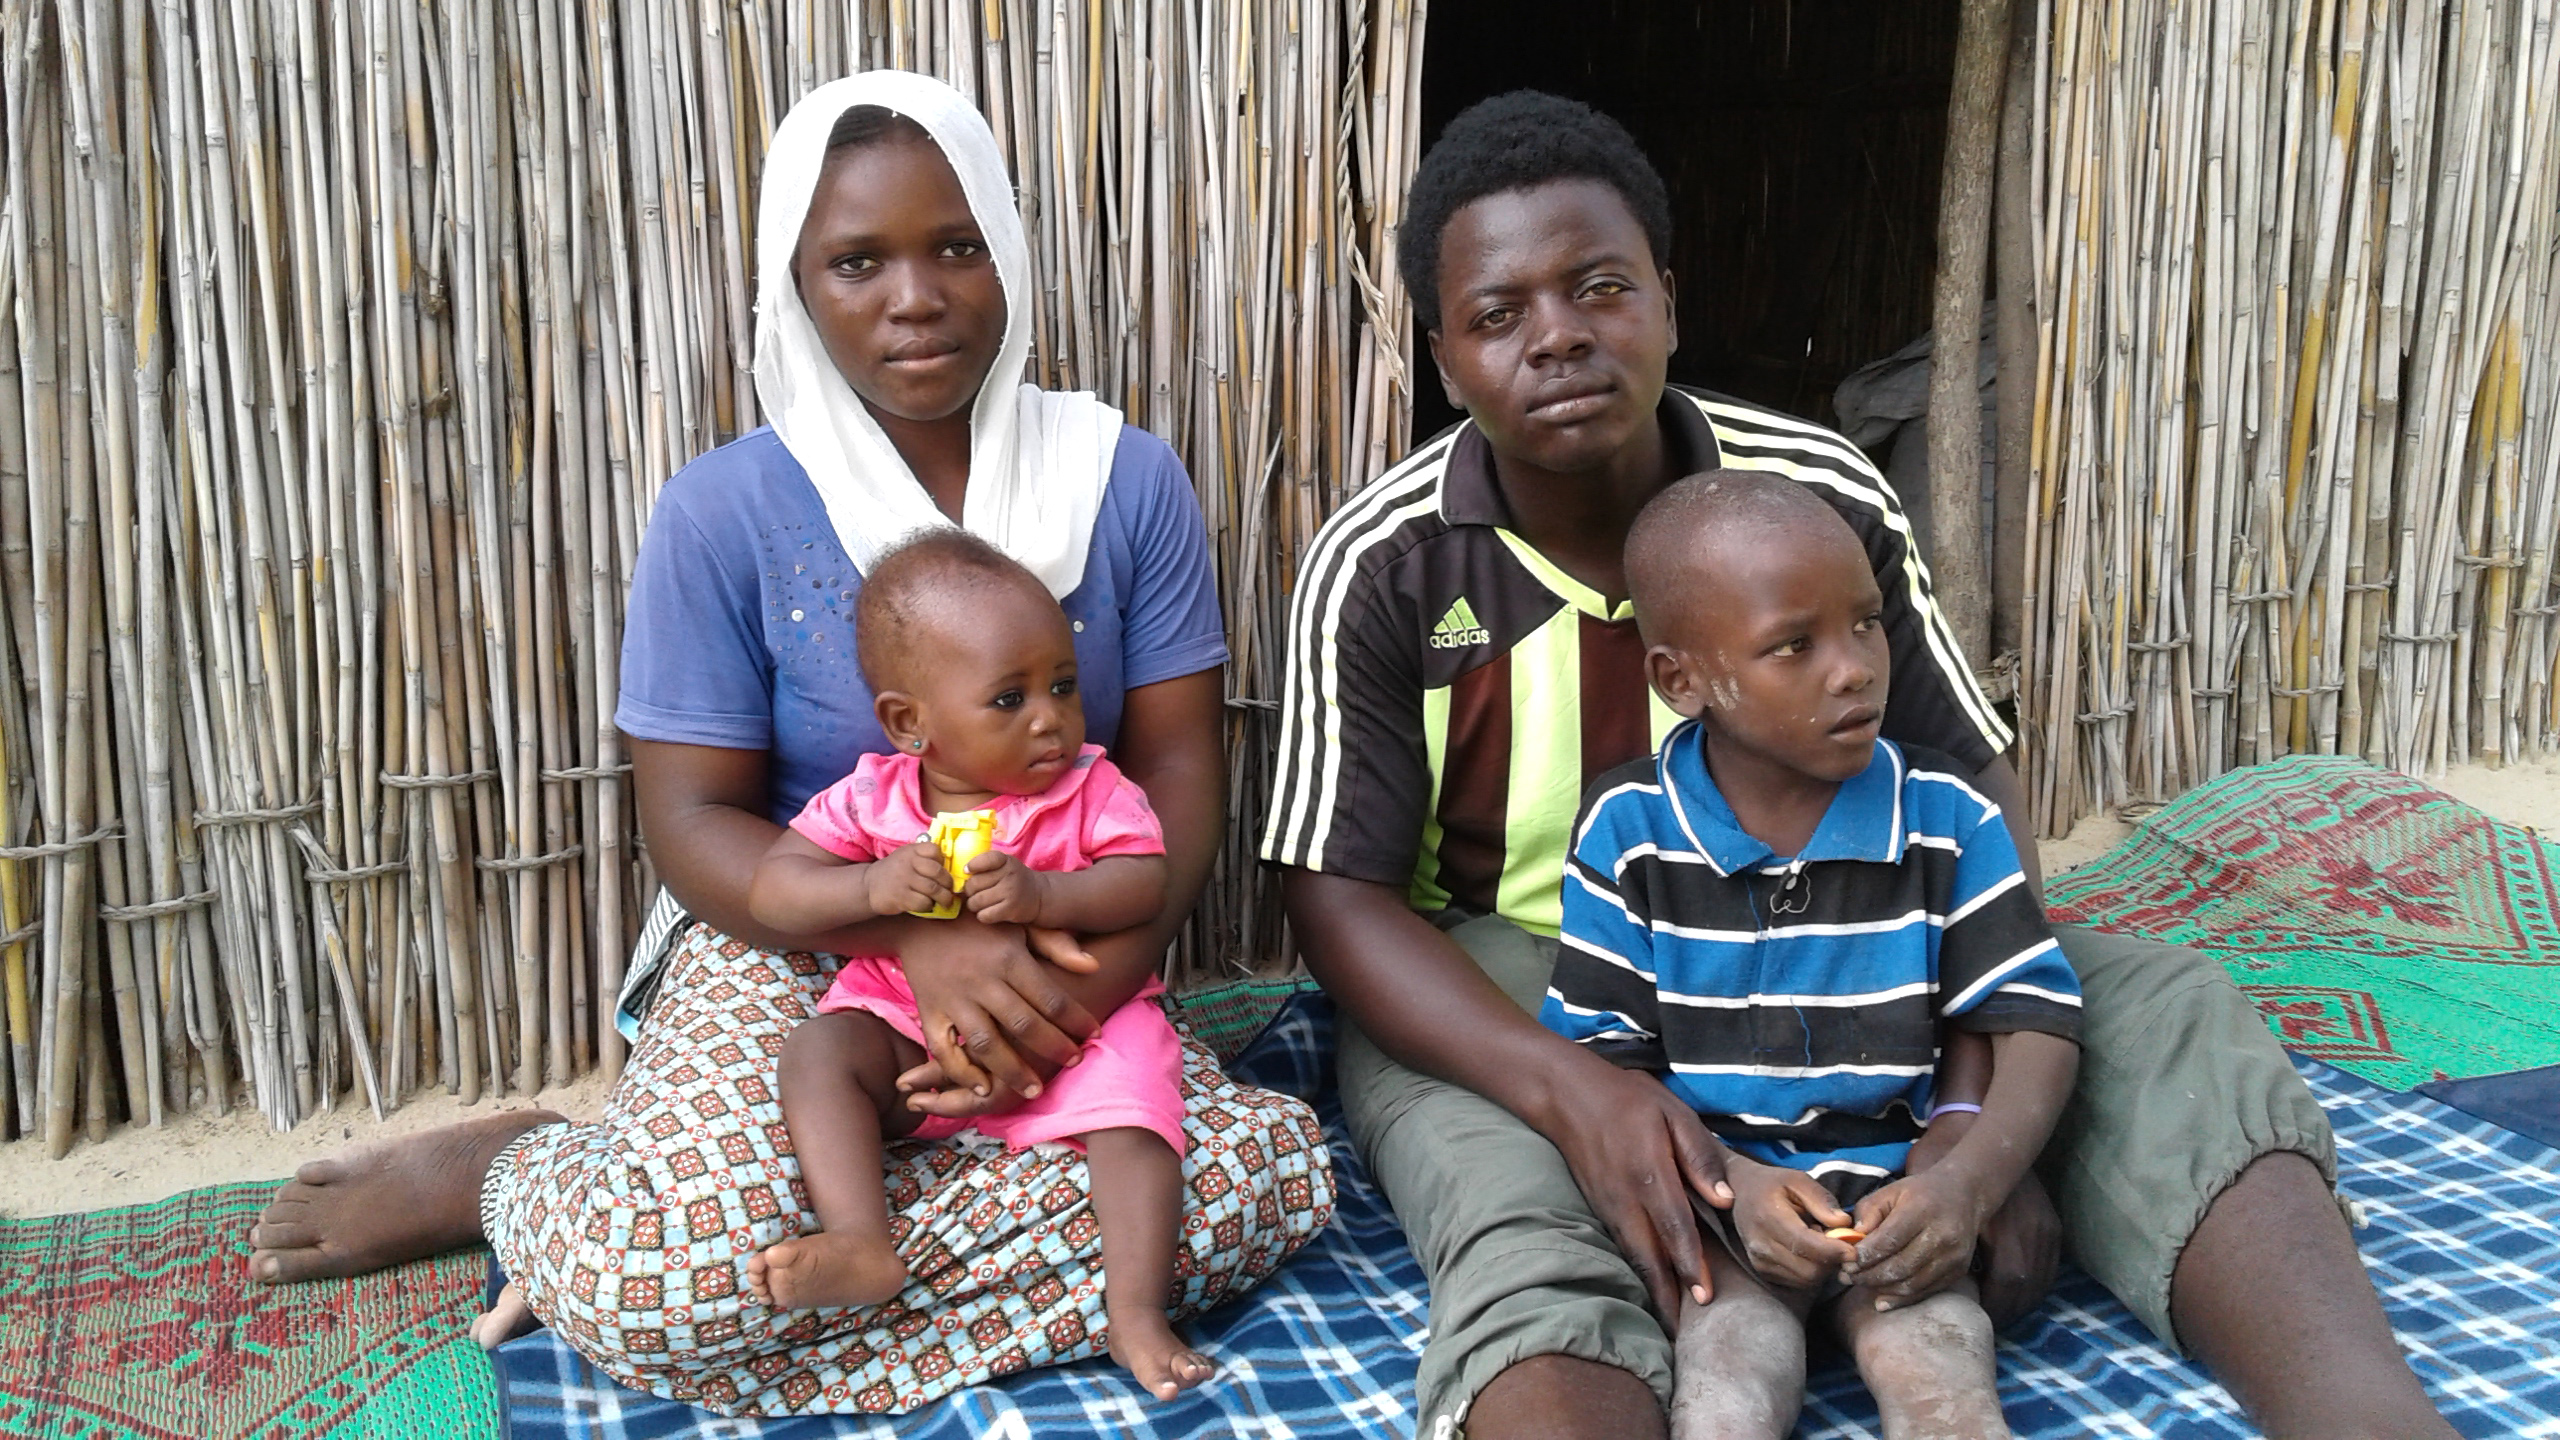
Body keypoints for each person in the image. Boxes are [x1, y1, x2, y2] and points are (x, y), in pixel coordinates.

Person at [1262, 89, 2454, 1440]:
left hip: (1872, 933)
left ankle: (2371, 1418)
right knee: (1513, 1179)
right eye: (1497, 315)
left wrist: (1971, 1121)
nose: (1558, 338)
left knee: (2157, 1008)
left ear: (1667, 292)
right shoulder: (1386, 562)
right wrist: (1582, 1094)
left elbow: (1969, 802)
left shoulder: (1818, 492)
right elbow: (1339, 899)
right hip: (1535, 978)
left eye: (1601, 286)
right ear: (1443, 353)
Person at [247, 70, 1332, 1417]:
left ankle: (799, 1238)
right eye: (856, 261)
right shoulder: (727, 512)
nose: (916, 295)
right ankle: (525, 1171)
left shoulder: (1122, 480)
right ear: (795, 286)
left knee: (1261, 1184)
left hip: (1073, 928)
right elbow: (695, 824)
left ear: (1009, 247)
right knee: (693, 1277)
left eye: (956, 245)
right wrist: (915, 943)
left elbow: (1176, 782)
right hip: (795, 932)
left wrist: (1072, 996)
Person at [1541, 471, 2081, 1439]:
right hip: (1731, 1212)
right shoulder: (1629, 832)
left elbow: (2033, 1022)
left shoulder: (1946, 817)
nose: (1854, 669)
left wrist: (1966, 1185)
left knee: (1943, 1386)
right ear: (1681, 680)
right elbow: (1602, 1061)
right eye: (1794, 645)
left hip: (1903, 1205)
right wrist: (1731, 1191)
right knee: (1727, 1385)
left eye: (1866, 626)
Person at [740, 528, 1211, 1398]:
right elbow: (775, 889)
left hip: (1072, 1027)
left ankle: (1136, 1309)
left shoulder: (1092, 790)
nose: (1050, 718)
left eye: (1062, 686)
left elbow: (1144, 881)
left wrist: (1046, 898)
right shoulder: (874, 799)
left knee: (1138, 1113)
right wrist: (874, 887)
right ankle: (861, 1239)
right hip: (903, 1022)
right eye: (1008, 699)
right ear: (909, 723)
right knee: (818, 1053)